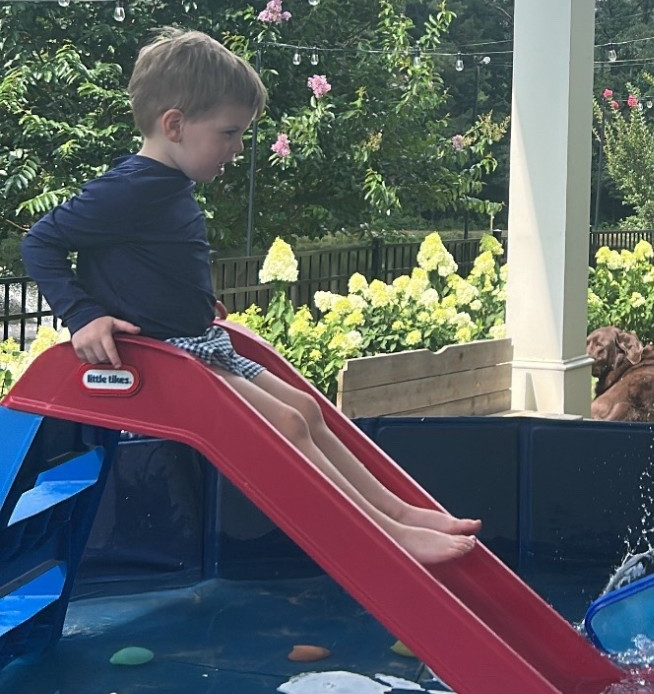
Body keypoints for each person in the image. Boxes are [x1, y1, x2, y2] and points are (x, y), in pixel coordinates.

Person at [21, 29, 478, 567]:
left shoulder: (168, 183)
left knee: (306, 409)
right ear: (175, 125)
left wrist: (196, 302)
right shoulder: (129, 187)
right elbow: (41, 241)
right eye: (229, 133)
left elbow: (153, 261)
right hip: (165, 361)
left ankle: (398, 512)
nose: (237, 148)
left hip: (195, 342)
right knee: (285, 425)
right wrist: (84, 316)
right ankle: (384, 535)